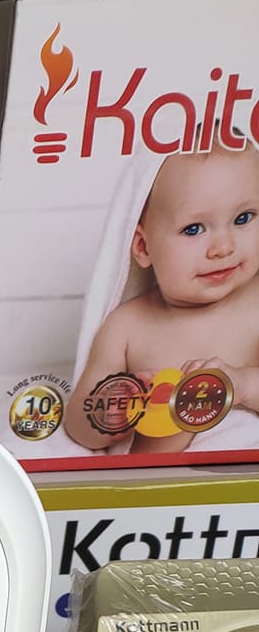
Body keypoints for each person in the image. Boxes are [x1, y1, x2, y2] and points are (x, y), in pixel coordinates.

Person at [63, 141, 259, 454]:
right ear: (143, 247)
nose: (224, 247)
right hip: (160, 482)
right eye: (193, 229)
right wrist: (116, 410)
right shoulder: (126, 326)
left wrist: (244, 385)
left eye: (243, 218)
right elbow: (78, 423)